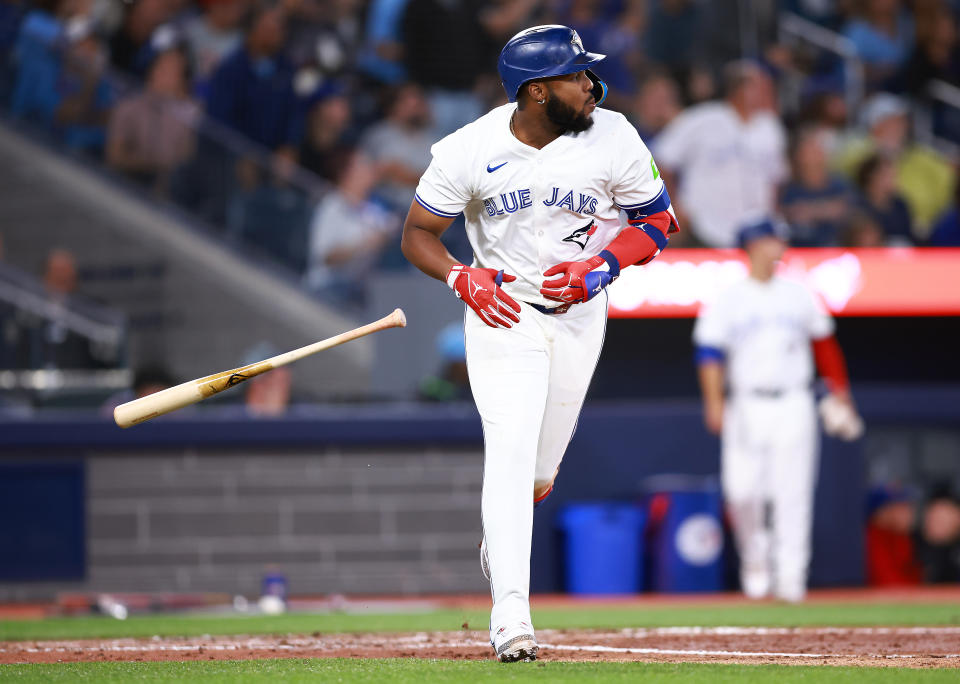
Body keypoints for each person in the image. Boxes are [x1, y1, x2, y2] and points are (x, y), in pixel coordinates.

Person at [401, 25, 678, 661]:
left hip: (580, 315)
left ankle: (502, 537)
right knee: (510, 446)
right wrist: (458, 274)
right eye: (574, 77)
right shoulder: (468, 150)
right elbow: (417, 232)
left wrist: (602, 266)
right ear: (535, 92)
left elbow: (657, 221)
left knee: (538, 474)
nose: (588, 86)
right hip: (505, 311)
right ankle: (511, 618)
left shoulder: (614, 134)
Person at [693, 217, 858, 603]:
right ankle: (755, 558)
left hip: (794, 400)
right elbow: (709, 353)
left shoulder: (798, 293)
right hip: (746, 402)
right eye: (769, 239)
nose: (777, 245)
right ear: (751, 245)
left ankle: (791, 577)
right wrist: (714, 402)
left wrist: (840, 391)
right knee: (741, 492)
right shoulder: (729, 297)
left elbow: (824, 345)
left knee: (793, 492)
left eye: (778, 239)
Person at [654, 61, 787, 247]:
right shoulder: (702, 118)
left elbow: (776, 178)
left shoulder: (770, 127)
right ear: (739, 88)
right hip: (703, 227)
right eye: (760, 87)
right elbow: (661, 160)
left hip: (755, 232)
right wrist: (672, 205)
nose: (767, 94)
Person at [106, 49, 200, 194]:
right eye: (160, 67)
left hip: (168, 195)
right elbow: (115, 157)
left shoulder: (189, 116)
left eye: (171, 72)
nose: (161, 75)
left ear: (183, 82)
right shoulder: (129, 107)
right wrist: (154, 165)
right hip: (123, 187)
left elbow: (185, 161)